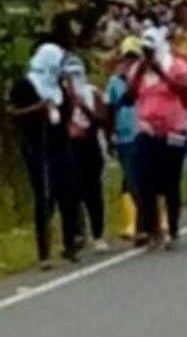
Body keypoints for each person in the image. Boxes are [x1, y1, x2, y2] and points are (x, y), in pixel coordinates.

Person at [8, 43, 80, 268]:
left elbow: (68, 112)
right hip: (37, 145)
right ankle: (44, 252)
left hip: (60, 144)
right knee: (45, 197)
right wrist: (38, 108)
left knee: (69, 193)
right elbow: (12, 112)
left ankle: (70, 243)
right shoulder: (25, 86)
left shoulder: (58, 86)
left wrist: (70, 92)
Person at [130, 27, 187, 250]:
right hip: (146, 129)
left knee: (170, 181)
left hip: (173, 131)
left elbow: (186, 92)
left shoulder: (174, 65)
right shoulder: (139, 69)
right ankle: (153, 229)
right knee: (143, 180)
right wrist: (140, 73)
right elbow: (129, 97)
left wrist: (162, 73)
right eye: (144, 50)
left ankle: (173, 230)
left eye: (150, 50)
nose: (146, 54)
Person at [62, 56, 110, 253]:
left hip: (91, 145)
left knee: (93, 192)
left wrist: (81, 104)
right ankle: (77, 234)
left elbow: (101, 120)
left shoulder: (92, 93)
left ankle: (98, 234)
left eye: (77, 74)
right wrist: (68, 101)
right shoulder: (60, 96)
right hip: (70, 146)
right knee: (73, 192)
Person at [105, 36, 142, 240]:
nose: (130, 63)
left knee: (146, 177)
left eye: (134, 58)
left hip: (145, 132)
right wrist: (110, 134)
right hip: (124, 135)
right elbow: (109, 109)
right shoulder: (114, 82)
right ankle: (133, 222)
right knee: (130, 178)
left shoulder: (145, 78)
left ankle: (151, 220)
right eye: (127, 58)